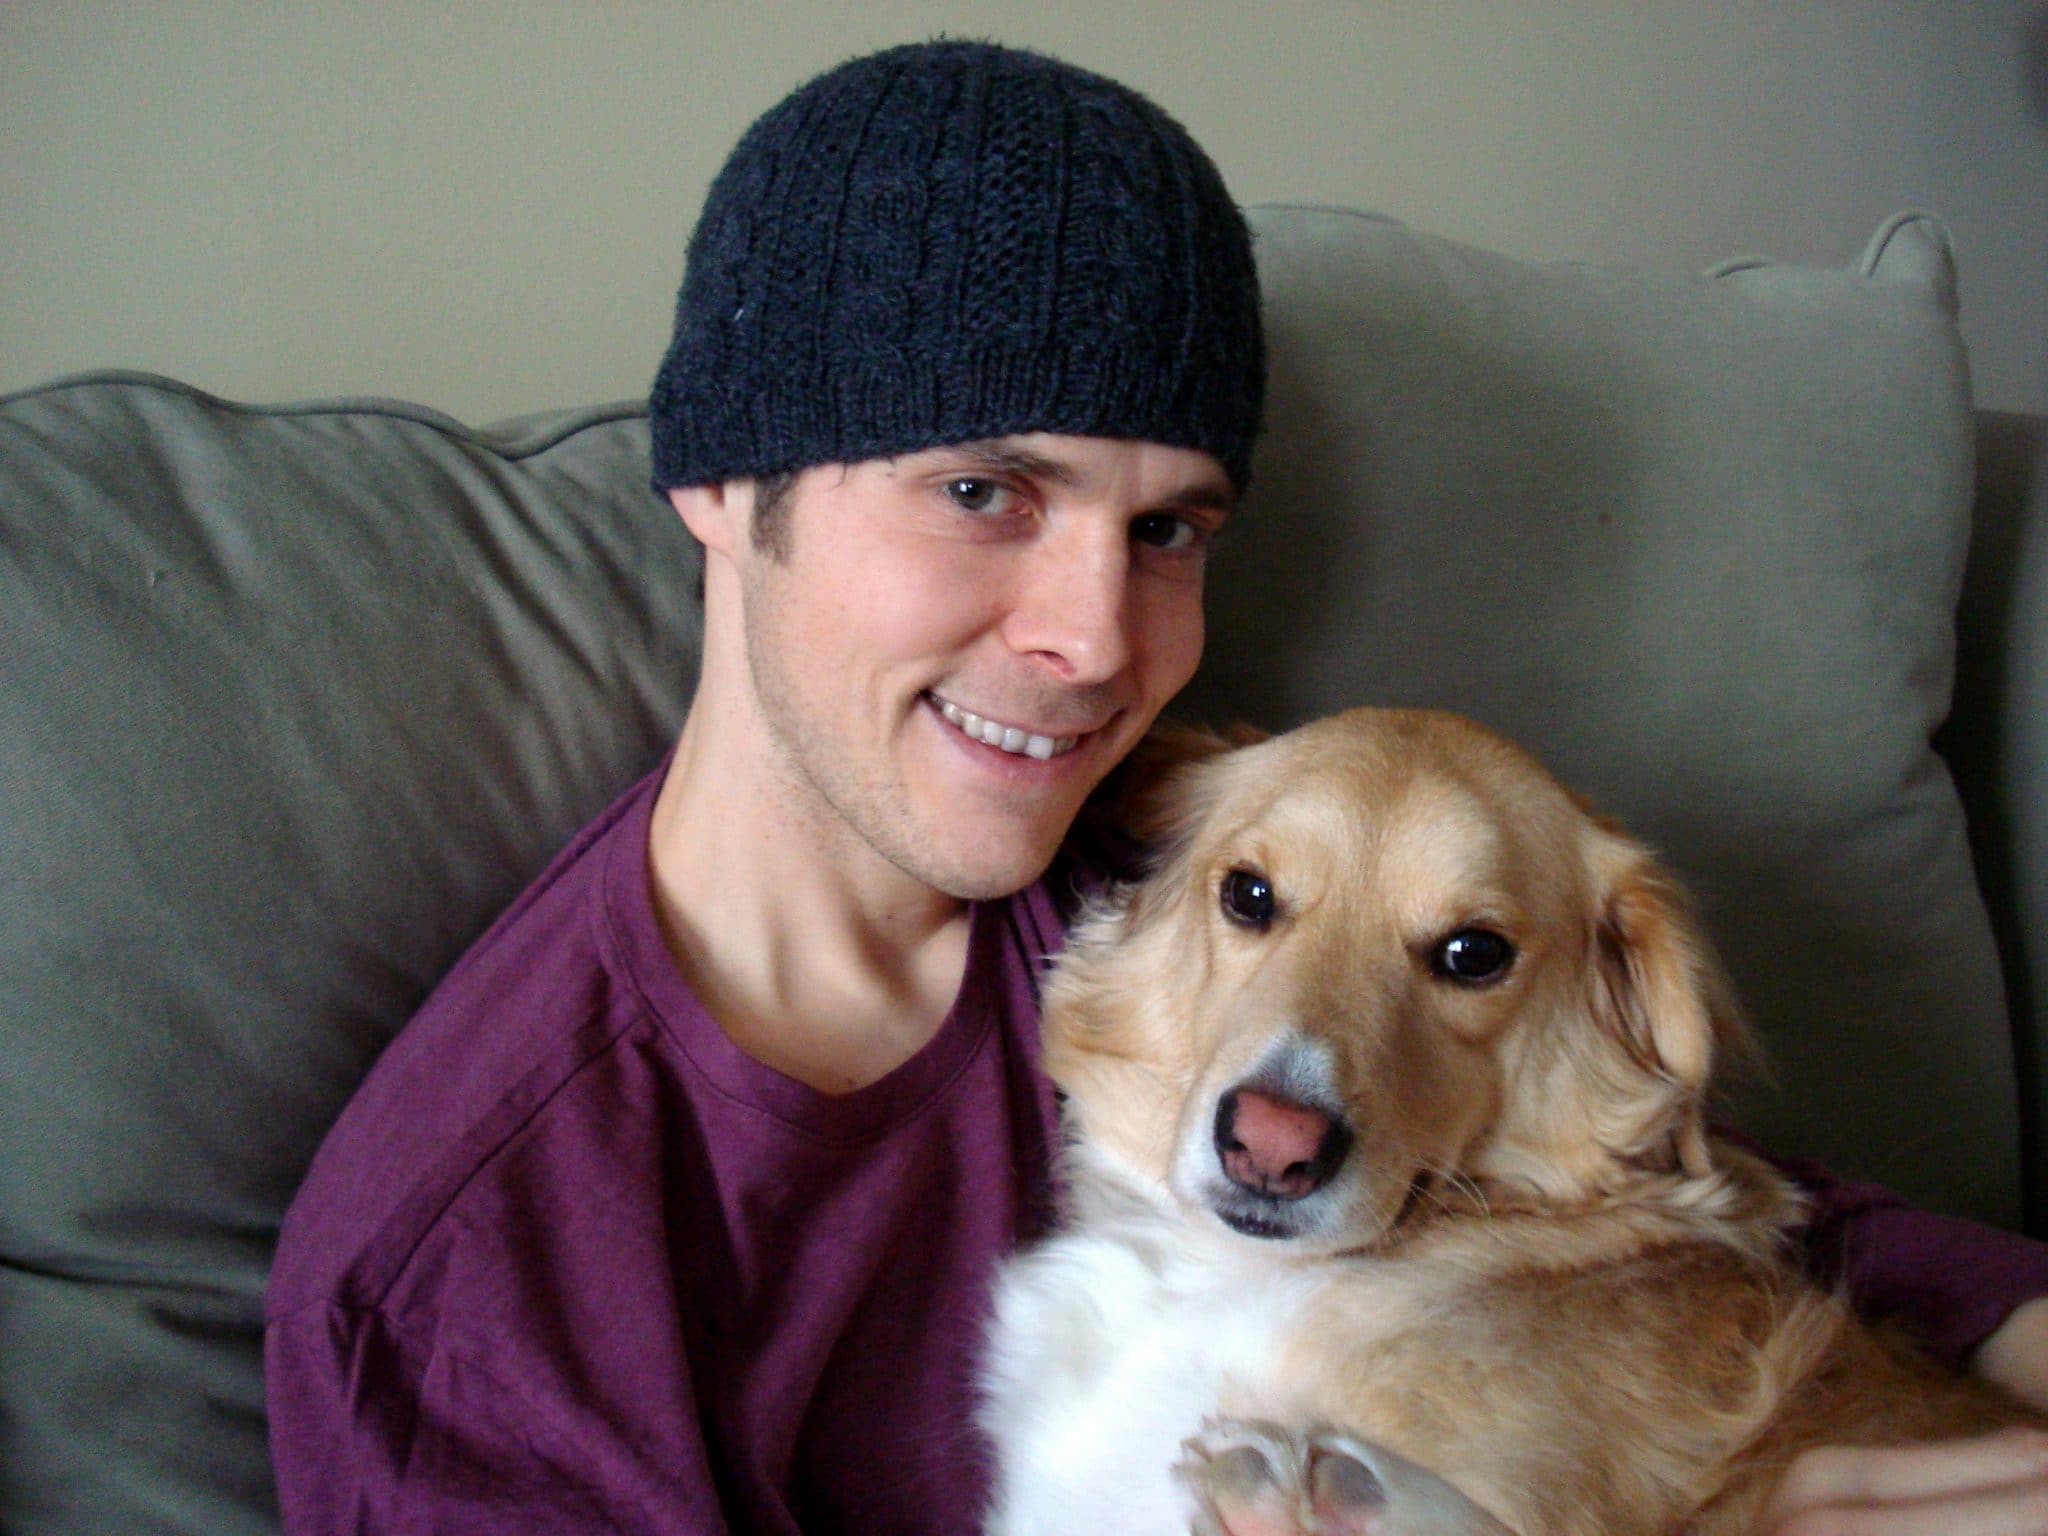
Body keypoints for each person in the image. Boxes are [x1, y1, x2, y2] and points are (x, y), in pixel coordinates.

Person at [265, 38, 2048, 1536]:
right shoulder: (468, 1276)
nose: (1097, 640)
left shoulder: (1158, 861)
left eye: (1169, 527)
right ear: (726, 485)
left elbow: (1653, 1193)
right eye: (984, 490)